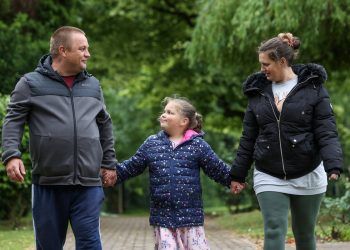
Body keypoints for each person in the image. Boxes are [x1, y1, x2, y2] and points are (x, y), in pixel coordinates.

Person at [2, 26, 117, 249]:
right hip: (48, 183)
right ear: (63, 51)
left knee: (91, 244)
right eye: (82, 48)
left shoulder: (92, 85)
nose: (88, 54)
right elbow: (13, 121)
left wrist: (109, 163)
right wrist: (11, 155)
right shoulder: (30, 84)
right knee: (49, 245)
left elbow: (105, 125)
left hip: (88, 184)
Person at [230, 33, 343, 250]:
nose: (262, 69)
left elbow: (326, 130)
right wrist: (238, 174)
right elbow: (248, 137)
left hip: (308, 171)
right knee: (273, 229)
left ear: (282, 61)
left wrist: (333, 163)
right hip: (268, 172)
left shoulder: (313, 88)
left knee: (304, 234)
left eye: (266, 64)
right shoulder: (257, 92)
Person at [111, 96, 232, 250]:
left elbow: (217, 168)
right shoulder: (152, 143)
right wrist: (111, 174)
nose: (163, 114)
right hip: (162, 218)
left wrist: (234, 179)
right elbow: (131, 166)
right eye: (164, 111)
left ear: (184, 121)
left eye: (169, 112)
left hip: (190, 218)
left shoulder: (198, 145)